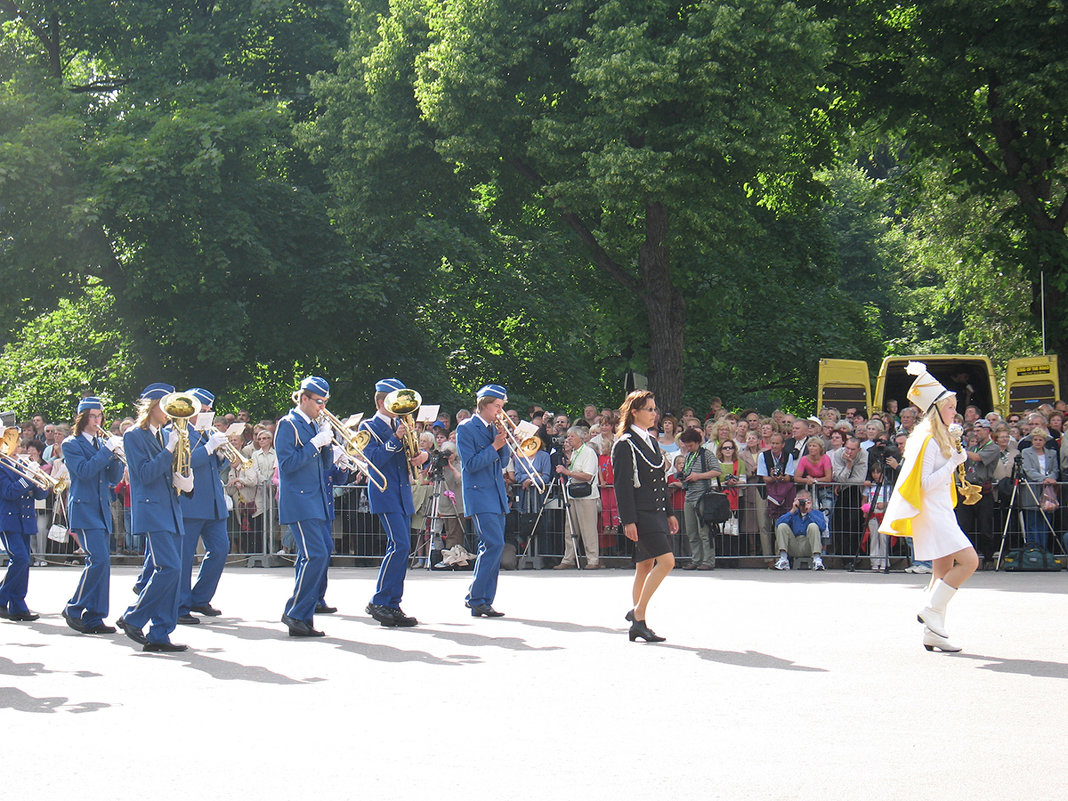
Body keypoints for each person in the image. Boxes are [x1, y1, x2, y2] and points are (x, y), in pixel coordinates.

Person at [880, 362, 979, 653]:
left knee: (942, 570)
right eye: (949, 407)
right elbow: (923, 483)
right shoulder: (929, 439)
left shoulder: (937, 436)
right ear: (937, 410)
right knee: (970, 561)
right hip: (933, 513)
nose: (954, 412)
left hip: (940, 510)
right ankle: (930, 607)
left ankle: (934, 632)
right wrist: (953, 462)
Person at [117, 383, 194, 652]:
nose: (171, 412)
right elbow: (145, 473)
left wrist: (185, 481)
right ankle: (133, 617)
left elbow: (165, 473)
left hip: (170, 508)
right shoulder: (133, 435)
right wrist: (169, 450)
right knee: (169, 568)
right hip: (151, 509)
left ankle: (161, 633)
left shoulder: (163, 434)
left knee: (174, 572)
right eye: (167, 405)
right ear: (153, 405)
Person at [359, 378, 429, 627]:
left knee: (402, 547)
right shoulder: (367, 426)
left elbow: (414, 456)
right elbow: (373, 459)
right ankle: (380, 600)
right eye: (393, 402)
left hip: (401, 491)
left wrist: (424, 456)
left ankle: (392, 602)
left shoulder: (403, 424)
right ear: (380, 402)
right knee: (398, 544)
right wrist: (394, 439)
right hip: (384, 490)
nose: (400, 408)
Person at [613, 390, 679, 642]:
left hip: (657, 511)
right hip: (642, 514)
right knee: (667, 562)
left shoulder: (651, 441)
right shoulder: (625, 443)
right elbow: (622, 485)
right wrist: (628, 520)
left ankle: (639, 620)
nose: (654, 414)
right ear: (634, 412)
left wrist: (670, 512)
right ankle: (638, 615)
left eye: (654, 409)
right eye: (649, 409)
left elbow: (660, 482)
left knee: (645, 565)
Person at [276, 376, 337, 637]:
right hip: (300, 500)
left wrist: (330, 447)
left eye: (324, 402)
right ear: (304, 398)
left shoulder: (313, 424)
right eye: (318, 401)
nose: (321, 407)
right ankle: (295, 613)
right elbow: (288, 465)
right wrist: (315, 443)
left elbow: (322, 465)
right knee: (316, 555)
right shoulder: (288, 425)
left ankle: (303, 615)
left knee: (316, 555)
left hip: (316, 499)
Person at [61, 397, 125, 634]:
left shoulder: (101, 444)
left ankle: (95, 617)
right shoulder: (71, 443)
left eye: (100, 416)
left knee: (103, 563)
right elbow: (84, 471)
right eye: (93, 416)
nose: (98, 420)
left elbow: (111, 479)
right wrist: (106, 452)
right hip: (84, 507)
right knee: (97, 560)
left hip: (101, 508)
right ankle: (74, 607)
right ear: (83, 418)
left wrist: (117, 456)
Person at [176, 388, 232, 623]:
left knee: (220, 550)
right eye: (204, 410)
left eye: (209, 410)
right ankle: (179, 605)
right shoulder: (179, 430)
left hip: (213, 502)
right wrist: (209, 448)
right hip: (191, 502)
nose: (207, 414)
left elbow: (218, 465)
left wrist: (220, 454)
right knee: (185, 556)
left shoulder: (207, 431)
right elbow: (182, 463)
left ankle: (199, 597)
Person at [456, 384, 511, 617]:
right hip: (479, 493)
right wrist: (495, 445)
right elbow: (470, 464)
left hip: (496, 493)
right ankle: (477, 597)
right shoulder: (466, 428)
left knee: (492, 547)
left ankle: (482, 599)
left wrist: (503, 441)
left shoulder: (493, 427)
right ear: (484, 405)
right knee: (494, 544)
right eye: (497, 406)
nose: (500, 411)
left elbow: (504, 460)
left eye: (501, 407)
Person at [555, 426, 601, 569]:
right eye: (568, 436)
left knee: (588, 529)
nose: (568, 439)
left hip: (587, 496)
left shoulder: (588, 453)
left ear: (580, 438)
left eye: (572, 436)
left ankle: (592, 559)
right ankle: (568, 558)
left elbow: (588, 475)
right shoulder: (574, 453)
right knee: (570, 529)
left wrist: (567, 472)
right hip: (573, 494)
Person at [677, 428, 721, 570]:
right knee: (691, 531)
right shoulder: (689, 456)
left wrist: (699, 476)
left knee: (704, 531)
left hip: (702, 496)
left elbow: (717, 470)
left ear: (697, 442)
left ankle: (708, 561)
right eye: (686, 445)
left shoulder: (706, 454)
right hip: (689, 496)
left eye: (690, 445)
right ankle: (696, 559)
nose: (688, 448)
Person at [1020, 427, 1059, 550]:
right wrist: (1043, 479)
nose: (1037, 442)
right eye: (1035, 439)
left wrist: (1050, 478)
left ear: (1044, 441)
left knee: (1045, 521)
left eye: (1040, 440)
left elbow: (1055, 470)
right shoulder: (1026, 452)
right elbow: (1028, 469)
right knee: (1032, 521)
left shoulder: (1051, 453)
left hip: (1047, 490)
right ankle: (1033, 548)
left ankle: (1044, 549)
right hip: (1032, 489)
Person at [771, 491, 826, 570]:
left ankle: (817, 560)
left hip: (809, 546)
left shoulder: (816, 513)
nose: (803, 504)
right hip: (794, 545)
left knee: (813, 526)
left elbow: (823, 527)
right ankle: (783, 559)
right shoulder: (793, 514)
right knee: (782, 526)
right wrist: (792, 510)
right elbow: (778, 524)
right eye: (801, 501)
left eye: (805, 501)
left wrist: (809, 512)